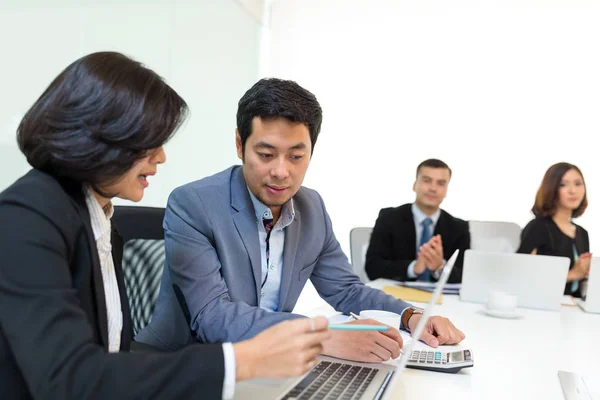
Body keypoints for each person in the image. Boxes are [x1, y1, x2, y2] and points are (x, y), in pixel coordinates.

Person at [0, 52, 330, 400]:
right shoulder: (25, 217)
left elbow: (111, 356)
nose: (160, 157)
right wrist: (242, 361)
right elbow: (71, 379)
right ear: (100, 136)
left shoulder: (96, 216)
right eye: (148, 143)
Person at [137, 78, 466, 362]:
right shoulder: (193, 204)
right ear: (240, 144)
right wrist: (322, 335)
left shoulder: (312, 207)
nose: (281, 171)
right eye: (266, 155)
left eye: (296, 156)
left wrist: (412, 316)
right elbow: (212, 318)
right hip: (184, 366)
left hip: (270, 363)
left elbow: (347, 290)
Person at [365, 159, 470, 283]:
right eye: (427, 180)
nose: (433, 188)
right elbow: (373, 267)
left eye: (441, 183)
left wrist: (440, 268)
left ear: (446, 189)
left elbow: (466, 276)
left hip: (442, 300)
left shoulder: (458, 228)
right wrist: (413, 268)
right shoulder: (389, 218)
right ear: (415, 185)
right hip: (396, 296)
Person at [517, 162, 590, 297]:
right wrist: (573, 274)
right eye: (563, 185)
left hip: (575, 307)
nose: (573, 191)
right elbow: (522, 276)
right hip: (543, 304)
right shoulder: (538, 227)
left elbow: (581, 282)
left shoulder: (582, 233)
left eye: (578, 183)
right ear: (552, 189)